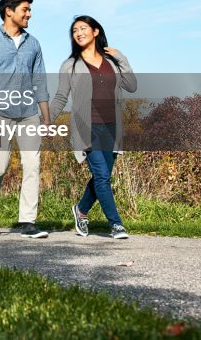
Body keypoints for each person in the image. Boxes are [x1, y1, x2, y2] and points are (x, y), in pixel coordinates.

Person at [50, 15, 137, 239]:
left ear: (96, 31)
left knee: (103, 176)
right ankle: (116, 225)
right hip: (86, 128)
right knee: (101, 176)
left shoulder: (112, 62)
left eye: (83, 28)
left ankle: (81, 210)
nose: (78, 33)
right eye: (74, 30)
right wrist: (45, 120)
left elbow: (132, 86)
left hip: (112, 128)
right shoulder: (70, 65)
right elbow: (61, 96)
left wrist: (121, 57)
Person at [0, 0, 52, 238]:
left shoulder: (34, 44)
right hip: (0, 114)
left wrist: (47, 120)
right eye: (25, 10)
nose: (29, 14)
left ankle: (27, 221)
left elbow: (40, 82)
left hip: (29, 114)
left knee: (33, 166)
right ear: (9, 11)